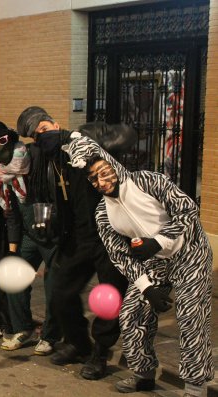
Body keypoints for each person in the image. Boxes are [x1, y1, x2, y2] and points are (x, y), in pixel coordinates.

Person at [65, 134, 213, 397]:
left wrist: (158, 241)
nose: (101, 182)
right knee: (131, 314)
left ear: (112, 163)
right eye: (93, 179)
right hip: (156, 263)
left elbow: (187, 210)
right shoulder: (103, 213)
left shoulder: (148, 181)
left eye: (103, 173)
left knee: (191, 316)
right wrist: (146, 288)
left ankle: (195, 385)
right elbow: (119, 255)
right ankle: (143, 373)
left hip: (190, 252)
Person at [16, 106, 127, 380]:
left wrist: (99, 140)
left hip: (109, 235)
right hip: (77, 237)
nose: (41, 137)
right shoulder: (49, 159)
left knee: (109, 298)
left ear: (55, 123)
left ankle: (100, 353)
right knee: (61, 291)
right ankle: (79, 343)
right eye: (35, 136)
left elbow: (126, 136)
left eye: (43, 129)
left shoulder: (84, 143)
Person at [0, 120, 60, 355]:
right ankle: (22, 328)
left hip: (53, 234)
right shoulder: (2, 177)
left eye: (3, 141)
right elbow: (12, 213)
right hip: (28, 235)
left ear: (11, 139)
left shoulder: (32, 157)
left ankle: (50, 336)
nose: (1, 147)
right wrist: (13, 250)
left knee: (53, 285)